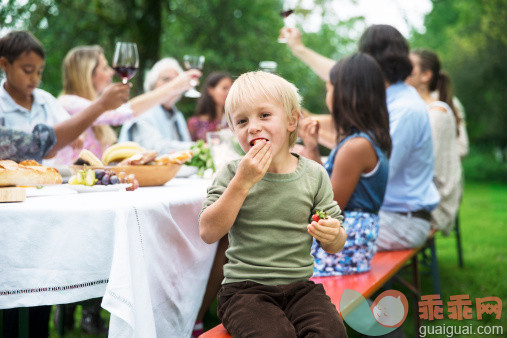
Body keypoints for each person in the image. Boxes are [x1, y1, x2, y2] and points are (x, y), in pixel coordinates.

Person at [0, 29, 129, 338]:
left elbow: (65, 143)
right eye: (27, 70)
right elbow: (43, 143)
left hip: (43, 205)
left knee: (42, 278)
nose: (34, 78)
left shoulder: (44, 101)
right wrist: (98, 107)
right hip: (9, 210)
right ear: (4, 65)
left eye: (40, 72)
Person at [199, 71, 348, 337]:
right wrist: (243, 183)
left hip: (300, 288)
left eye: (264, 115)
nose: (253, 127)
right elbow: (208, 232)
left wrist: (333, 234)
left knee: (332, 331)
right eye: (242, 121)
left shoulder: (314, 174)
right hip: (245, 291)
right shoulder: (233, 173)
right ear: (233, 131)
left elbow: (335, 244)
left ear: (292, 120)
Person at [281, 25, 440, 251]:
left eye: (331, 87)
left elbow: (371, 176)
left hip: (400, 219)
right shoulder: (387, 100)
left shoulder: (405, 109)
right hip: (382, 214)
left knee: (284, 233)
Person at [299, 53, 391, 276]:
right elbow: (324, 186)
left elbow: (327, 206)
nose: (327, 94)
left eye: (329, 88)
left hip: (343, 248)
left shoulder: (355, 147)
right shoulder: (364, 138)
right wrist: (311, 147)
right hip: (350, 243)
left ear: (345, 94)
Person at [54, 46, 201, 164]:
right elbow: (120, 114)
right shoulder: (68, 103)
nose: (112, 72)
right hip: (68, 189)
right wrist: (174, 86)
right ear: (87, 73)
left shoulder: (92, 110)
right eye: (105, 68)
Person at [406, 49, 462, 235]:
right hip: (420, 197)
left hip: (435, 204)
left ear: (426, 75)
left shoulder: (436, 114)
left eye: (409, 67)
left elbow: (427, 168)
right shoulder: (418, 110)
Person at [118, 57, 194, 153]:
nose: (173, 85)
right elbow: (156, 149)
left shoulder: (178, 116)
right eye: (166, 79)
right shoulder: (143, 111)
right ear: (153, 84)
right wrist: (198, 147)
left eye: (177, 81)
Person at [187, 72, 233, 141]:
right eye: (224, 88)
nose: (229, 92)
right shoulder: (195, 123)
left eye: (231, 89)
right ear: (211, 90)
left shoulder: (232, 120)